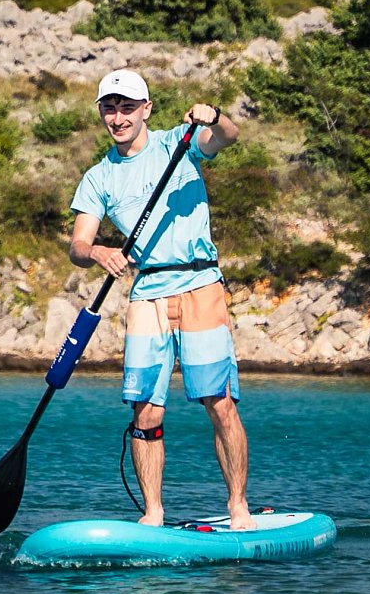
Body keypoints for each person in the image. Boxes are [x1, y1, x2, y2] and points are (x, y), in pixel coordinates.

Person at [68, 69, 256, 530]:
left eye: (128, 107)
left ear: (146, 109)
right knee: (145, 409)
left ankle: (238, 506)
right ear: (101, 114)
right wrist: (98, 251)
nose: (119, 117)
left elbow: (229, 137)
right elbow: (77, 246)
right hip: (147, 292)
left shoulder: (181, 142)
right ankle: (153, 513)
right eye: (110, 108)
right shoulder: (98, 177)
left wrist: (214, 115)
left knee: (219, 401)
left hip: (199, 285)